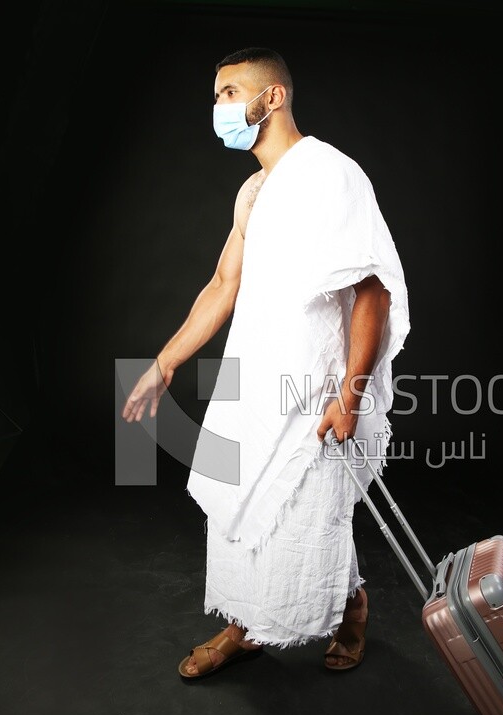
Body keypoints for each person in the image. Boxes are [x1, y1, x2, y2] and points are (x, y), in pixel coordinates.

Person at [121, 47, 410, 680]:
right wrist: (164, 364)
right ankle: (242, 627)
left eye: (227, 93)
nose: (217, 107)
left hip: (316, 389)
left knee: (310, 515)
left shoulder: (331, 174)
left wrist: (351, 395)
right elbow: (223, 282)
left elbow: (372, 292)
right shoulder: (254, 190)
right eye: (216, 96)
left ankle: (352, 608)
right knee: (241, 508)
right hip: (254, 384)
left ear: (271, 97)